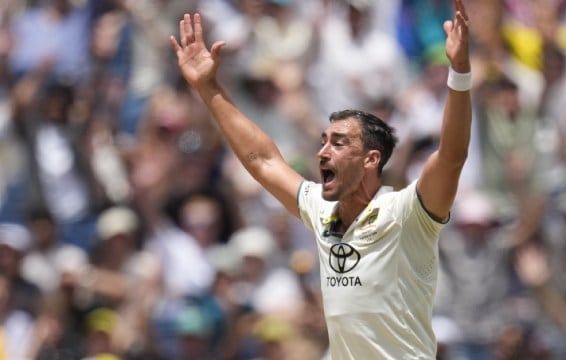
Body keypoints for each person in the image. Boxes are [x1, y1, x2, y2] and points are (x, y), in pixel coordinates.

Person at [169, 0, 472, 357]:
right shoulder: (321, 209)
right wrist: (208, 89)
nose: (322, 153)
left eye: (339, 143)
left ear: (371, 160)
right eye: (323, 141)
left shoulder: (410, 212)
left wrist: (460, 73)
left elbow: (451, 156)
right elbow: (263, 160)